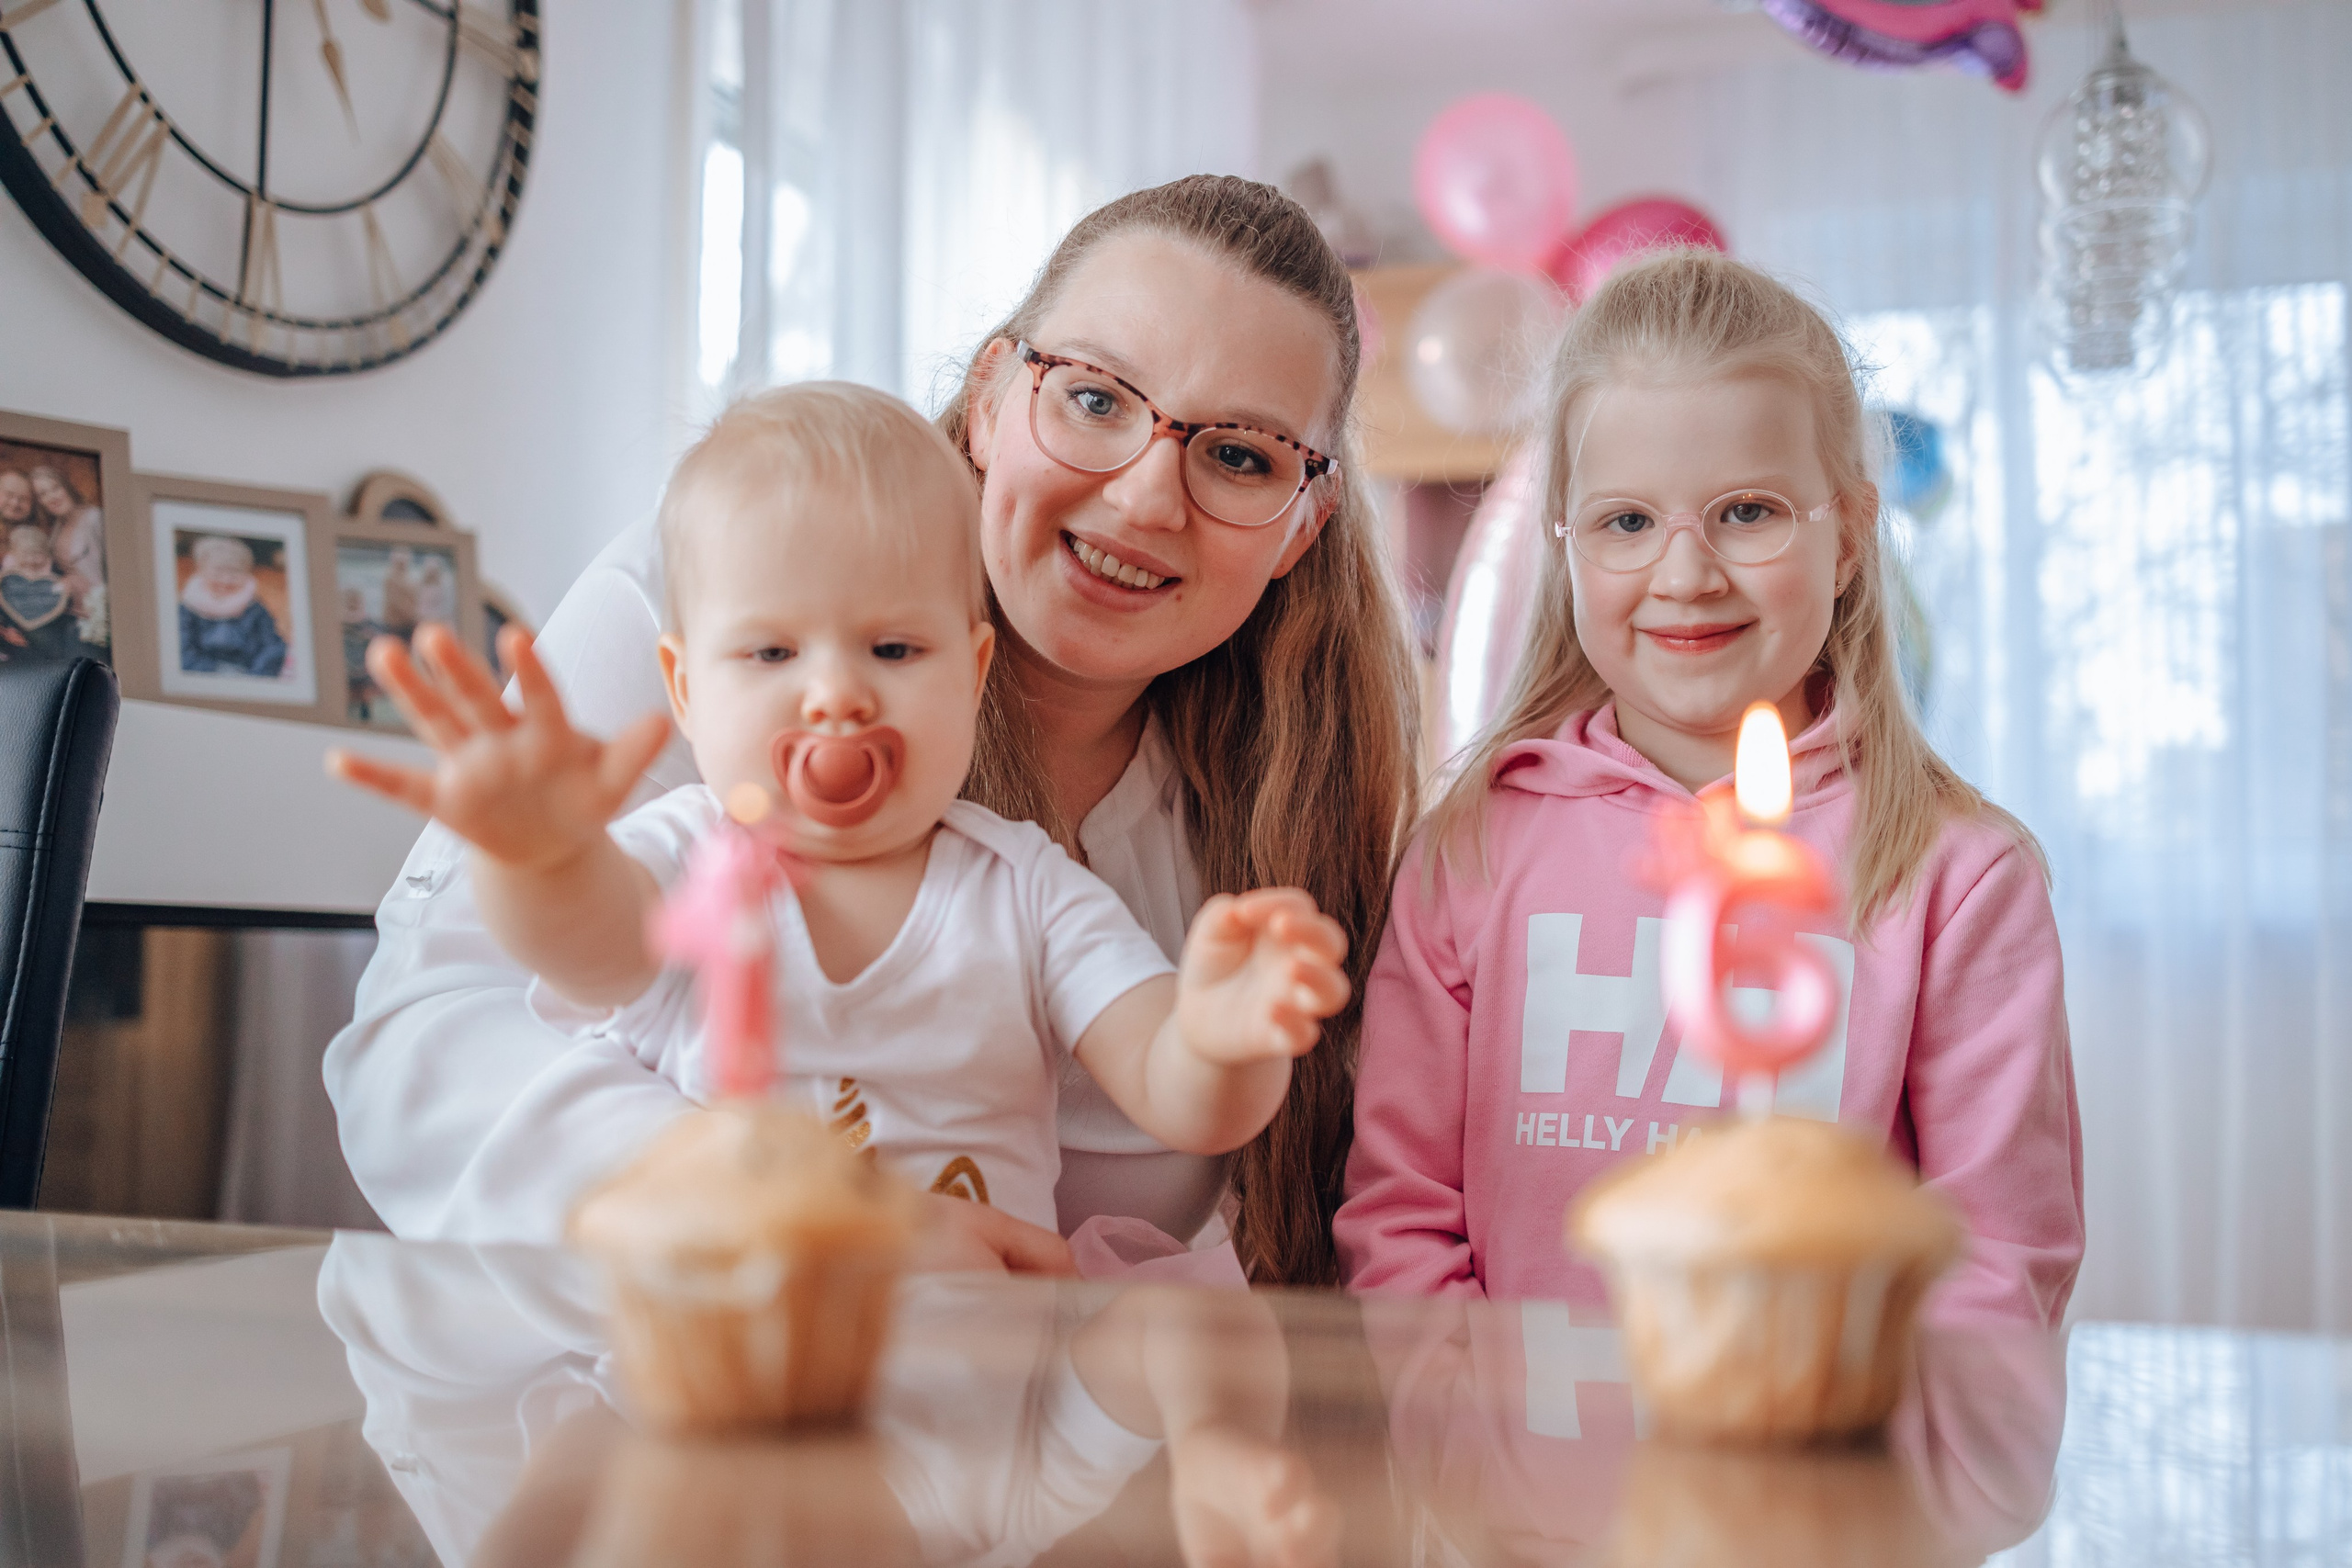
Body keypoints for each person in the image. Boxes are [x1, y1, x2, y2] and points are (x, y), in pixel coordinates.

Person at [325, 175, 1419, 1283]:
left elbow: (1225, 1185)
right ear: (992, 400)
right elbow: (430, 1047)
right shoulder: (732, 589)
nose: (1145, 497)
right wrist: (812, 1215)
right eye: (1095, 398)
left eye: (1240, 456)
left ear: (1299, 527)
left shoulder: (1274, 799)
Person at [1334, 252, 2083, 1324]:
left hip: (1833, 1484)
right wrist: (1468, 1465)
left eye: (1746, 513)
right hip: (1511, 1485)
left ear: (1848, 536)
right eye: (1627, 524)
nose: (1685, 576)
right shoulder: (1470, 850)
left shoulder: (1959, 880)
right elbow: (1399, 1223)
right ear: (1567, 547)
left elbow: (1994, 1268)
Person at [177, 534, 289, 678]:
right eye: (218, 572)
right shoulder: (188, 607)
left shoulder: (254, 608)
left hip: (249, 673)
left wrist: (255, 677)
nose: (226, 580)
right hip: (202, 675)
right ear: (201, 571)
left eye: (235, 573)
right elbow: (181, 649)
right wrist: (216, 673)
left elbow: (273, 647)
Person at [28, 463, 104, 624]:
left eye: (55, 488)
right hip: (71, 614)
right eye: (43, 494)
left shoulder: (94, 518)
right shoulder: (55, 532)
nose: (52, 497)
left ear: (66, 487)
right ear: (40, 502)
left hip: (97, 615)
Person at [0, 524, 79, 660]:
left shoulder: (54, 576)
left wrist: (65, 590)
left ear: (47, 555)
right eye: (25, 555)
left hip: (49, 633)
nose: (31, 561)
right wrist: (7, 628)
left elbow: (62, 603)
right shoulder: (7, 579)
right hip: (14, 638)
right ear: (14, 554)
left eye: (37, 555)